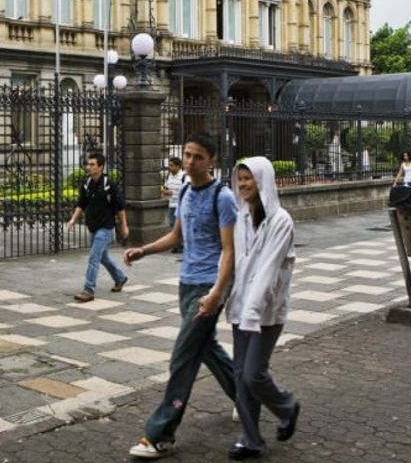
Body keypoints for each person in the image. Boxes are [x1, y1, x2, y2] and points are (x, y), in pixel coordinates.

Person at [122, 133, 238, 459]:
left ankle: (161, 433)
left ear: (211, 160)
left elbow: (230, 251)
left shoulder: (223, 197)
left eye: (197, 156)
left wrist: (217, 293)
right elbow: (176, 235)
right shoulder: (185, 190)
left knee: (182, 358)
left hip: (208, 286)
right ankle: (246, 398)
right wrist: (144, 250)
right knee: (206, 349)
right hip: (186, 283)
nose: (189, 161)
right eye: (186, 155)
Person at [226, 157, 301, 460]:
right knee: (240, 376)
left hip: (266, 313)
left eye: (249, 178)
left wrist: (252, 313)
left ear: (263, 180)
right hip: (240, 308)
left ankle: (287, 406)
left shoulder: (281, 221)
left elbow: (268, 271)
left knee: (253, 374)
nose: (243, 184)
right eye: (240, 178)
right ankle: (251, 439)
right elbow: (233, 262)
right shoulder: (241, 216)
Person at [66, 152, 129, 302]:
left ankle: (88, 290)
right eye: (88, 164)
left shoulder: (109, 185)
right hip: (93, 226)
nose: (89, 167)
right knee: (103, 257)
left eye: (92, 164)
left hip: (106, 227)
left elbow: (120, 207)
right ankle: (120, 277)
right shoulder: (87, 184)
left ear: (100, 167)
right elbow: (81, 204)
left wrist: (124, 226)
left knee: (94, 256)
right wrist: (73, 219)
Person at [163, 157, 186, 254]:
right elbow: (166, 188)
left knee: (180, 226)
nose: (169, 167)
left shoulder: (183, 176)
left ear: (178, 166)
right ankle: (177, 244)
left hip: (180, 205)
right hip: (171, 204)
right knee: (172, 224)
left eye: (171, 165)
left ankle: (179, 244)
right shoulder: (169, 176)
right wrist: (165, 192)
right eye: (169, 165)